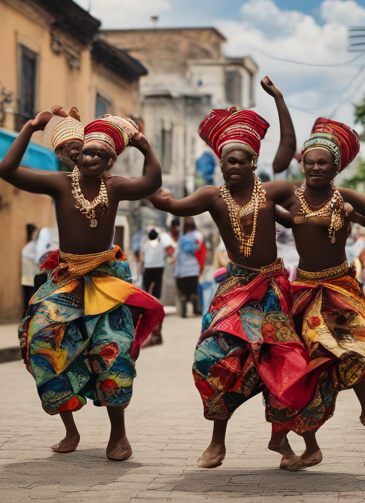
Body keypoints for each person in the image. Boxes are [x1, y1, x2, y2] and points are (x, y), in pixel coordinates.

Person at [150, 77, 340, 471]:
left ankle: (298, 443)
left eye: (241, 160)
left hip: (273, 290)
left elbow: (289, 153)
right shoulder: (209, 196)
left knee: (285, 364)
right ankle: (217, 442)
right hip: (235, 288)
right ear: (220, 163)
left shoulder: (273, 191)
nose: (233, 167)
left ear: (253, 162)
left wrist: (280, 100)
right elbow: (168, 202)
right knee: (212, 358)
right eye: (227, 161)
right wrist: (141, 157)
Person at [0, 109, 164, 459]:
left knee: (111, 352)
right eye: (85, 152)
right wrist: (30, 127)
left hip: (106, 281)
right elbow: (6, 171)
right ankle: (70, 430)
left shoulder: (114, 187)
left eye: (98, 154)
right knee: (42, 342)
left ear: (110, 161)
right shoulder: (59, 183)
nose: (88, 157)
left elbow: (150, 184)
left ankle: (118, 435)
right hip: (67, 280)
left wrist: (145, 147)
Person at [272, 116, 365, 435]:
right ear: (303, 166)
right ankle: (299, 431)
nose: (316, 168)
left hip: (341, 287)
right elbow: (278, 214)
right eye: (310, 163)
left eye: (323, 163)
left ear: (335, 168)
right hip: (304, 289)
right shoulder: (291, 198)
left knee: (359, 348)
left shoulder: (345, 198)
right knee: (309, 356)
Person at [141, 228, 174, 347]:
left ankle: (148, 302)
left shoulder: (145, 244)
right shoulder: (160, 244)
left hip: (148, 268)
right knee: (156, 293)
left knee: (146, 291)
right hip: (159, 268)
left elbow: (142, 259)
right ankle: (155, 299)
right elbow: (170, 251)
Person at [174, 217, 204, 318]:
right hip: (193, 269)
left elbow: (177, 252)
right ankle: (195, 305)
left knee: (182, 292)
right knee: (194, 291)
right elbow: (198, 249)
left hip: (182, 270)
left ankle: (183, 306)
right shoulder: (197, 236)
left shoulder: (181, 238)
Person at [21, 223, 39, 314]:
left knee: (28, 301)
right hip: (30, 278)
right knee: (30, 301)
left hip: (28, 278)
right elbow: (36, 259)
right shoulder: (31, 246)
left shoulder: (31, 246)